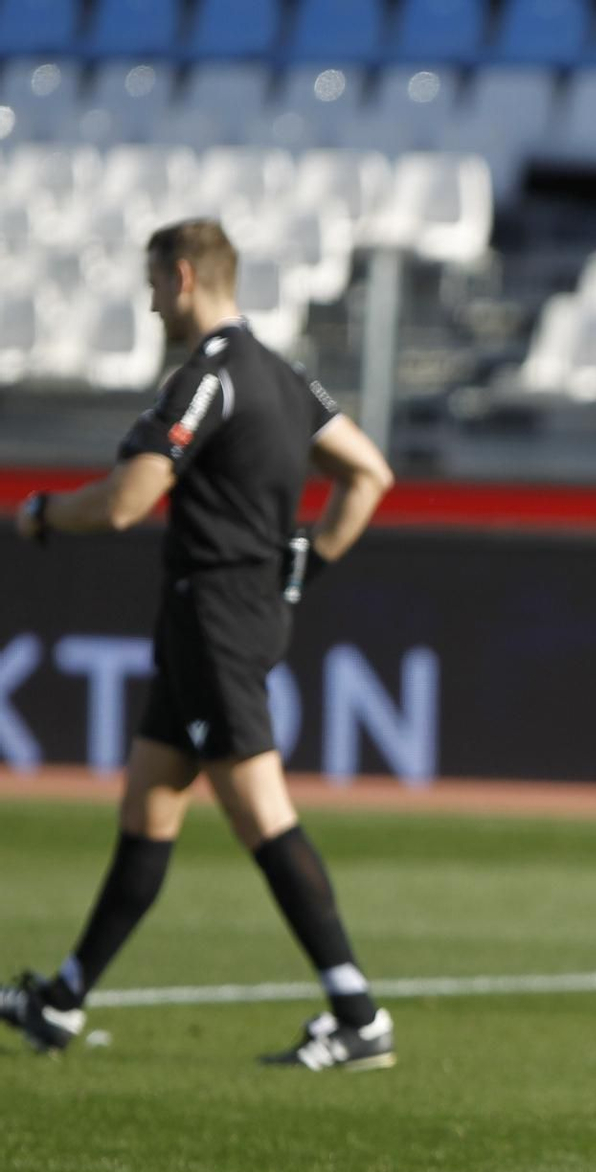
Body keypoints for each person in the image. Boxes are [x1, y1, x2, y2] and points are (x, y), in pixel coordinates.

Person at [1, 217, 397, 1072]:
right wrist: (308, 559)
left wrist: (41, 513)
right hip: (218, 618)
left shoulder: (208, 377)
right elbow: (369, 471)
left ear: (183, 277)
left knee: (261, 813)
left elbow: (123, 501)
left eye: (152, 285)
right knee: (149, 806)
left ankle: (359, 1013)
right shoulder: (287, 379)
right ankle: (62, 1000)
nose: (149, 305)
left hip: (216, 620)